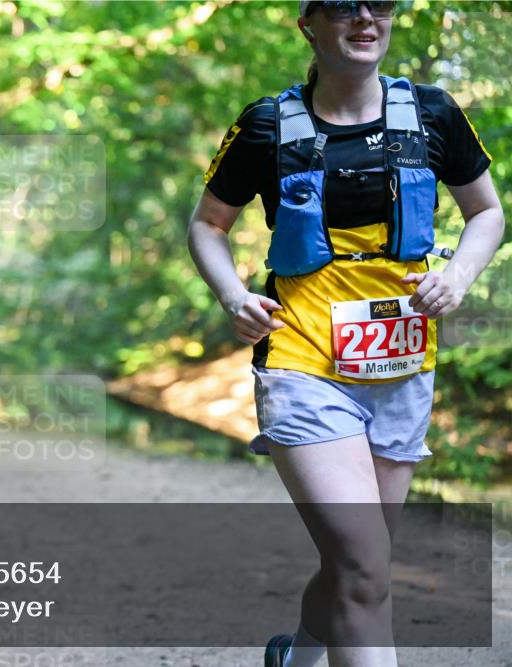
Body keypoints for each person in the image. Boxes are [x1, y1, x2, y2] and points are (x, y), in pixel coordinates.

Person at [187, 2, 504, 666]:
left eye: (379, 2)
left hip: (403, 368)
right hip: (303, 361)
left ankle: (296, 658)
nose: (364, 17)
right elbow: (207, 224)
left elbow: (487, 213)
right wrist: (231, 295)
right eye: (341, 4)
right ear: (309, 22)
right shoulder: (266, 124)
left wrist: (462, 276)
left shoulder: (434, 113)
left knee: (362, 564)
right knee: (364, 565)